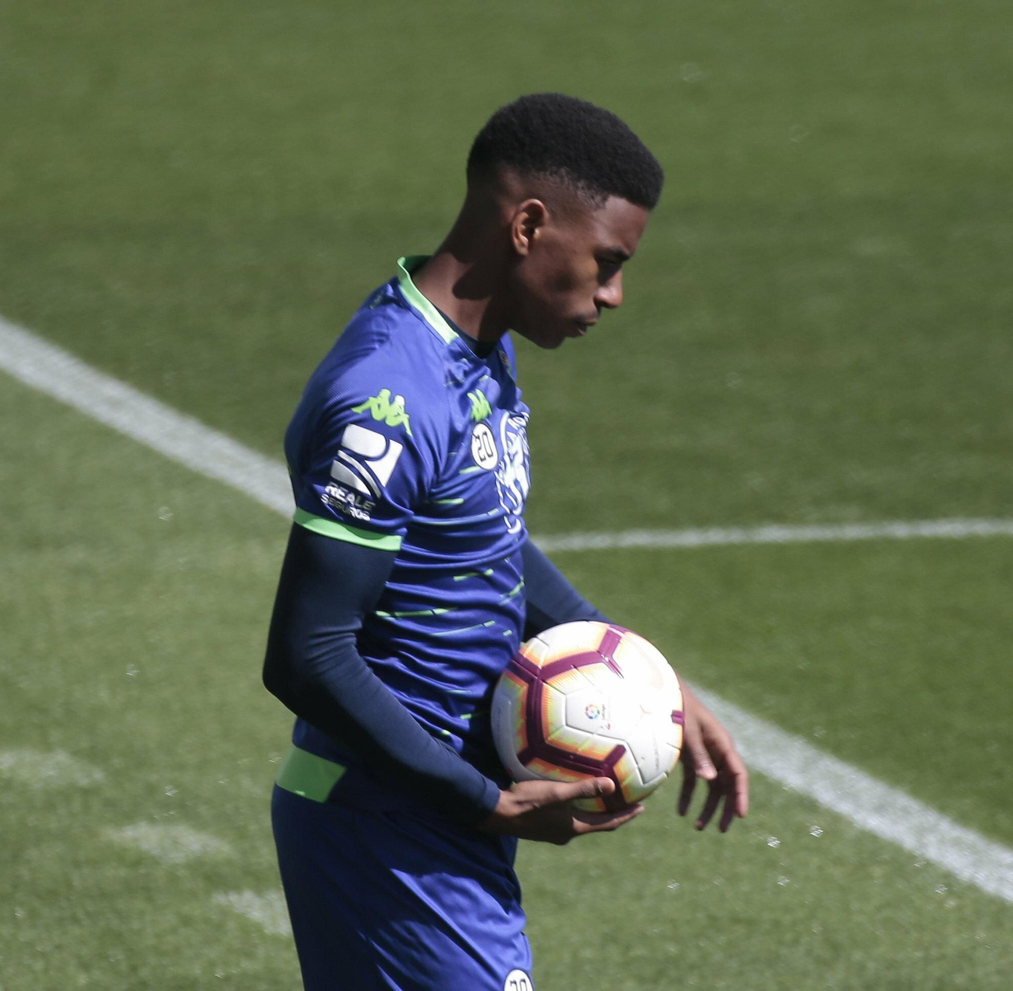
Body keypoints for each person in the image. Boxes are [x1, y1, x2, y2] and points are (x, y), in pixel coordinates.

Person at [262, 93, 749, 991]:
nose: (613, 294)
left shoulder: (479, 350)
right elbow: (307, 654)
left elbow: (486, 542)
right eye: (607, 261)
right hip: (387, 829)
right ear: (528, 225)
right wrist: (483, 801)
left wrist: (645, 670)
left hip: (434, 820)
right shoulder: (387, 399)